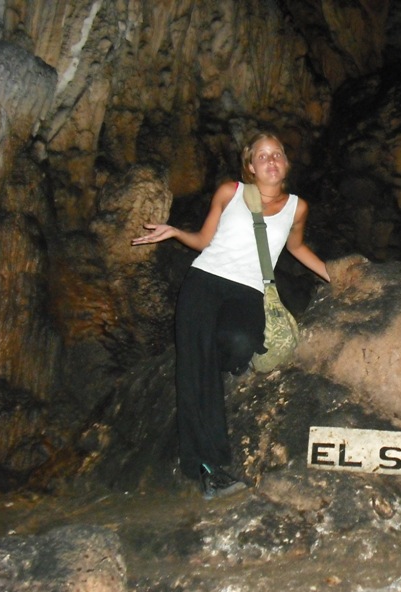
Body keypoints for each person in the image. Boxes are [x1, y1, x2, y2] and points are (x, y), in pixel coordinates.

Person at [132, 132, 330, 498]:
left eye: (277, 154)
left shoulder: (297, 208)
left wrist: (336, 275)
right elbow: (204, 241)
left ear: (286, 163)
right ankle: (209, 467)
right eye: (262, 156)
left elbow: (297, 247)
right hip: (204, 282)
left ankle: (223, 363)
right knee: (196, 368)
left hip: (248, 290)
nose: (271, 161)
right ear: (250, 165)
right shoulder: (231, 192)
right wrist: (175, 232)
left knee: (242, 342)